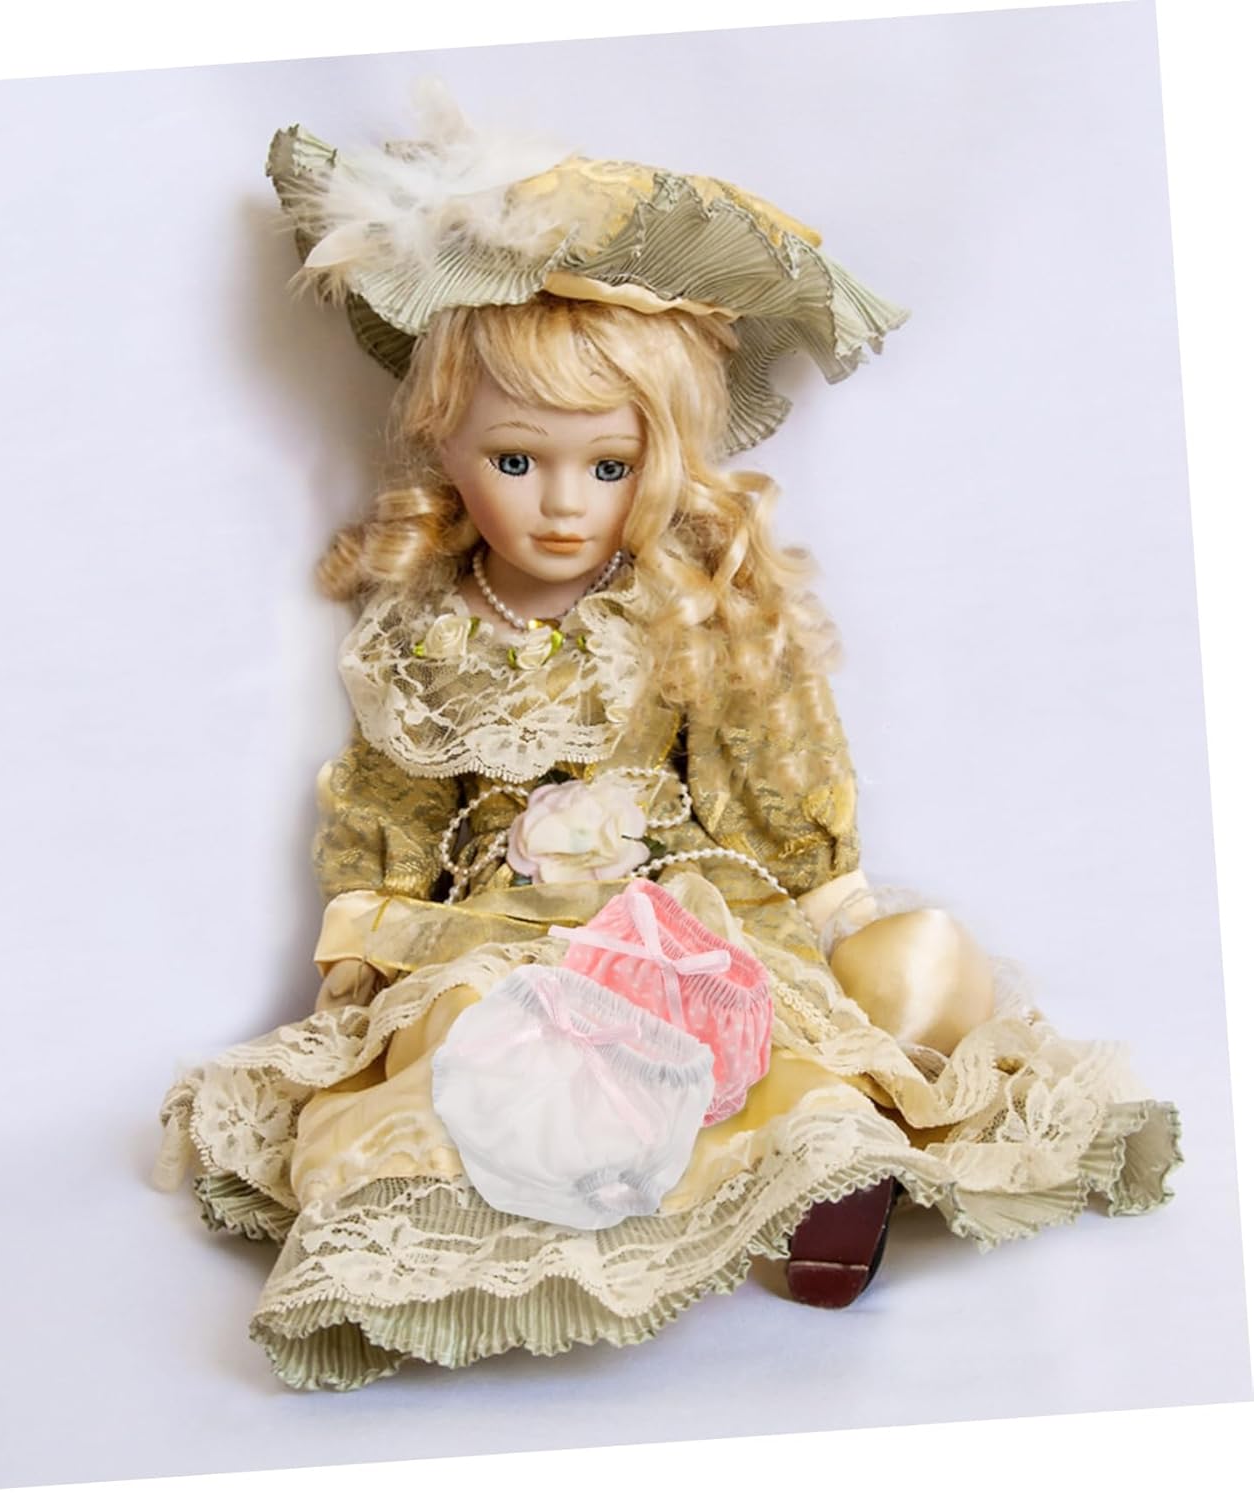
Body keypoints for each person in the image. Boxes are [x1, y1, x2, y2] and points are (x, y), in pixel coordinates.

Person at [155, 93, 1181, 1392]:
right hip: (498, 915)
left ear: (664, 464)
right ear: (444, 445)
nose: (563, 505)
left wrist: (833, 906)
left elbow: (764, 773)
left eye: (609, 465)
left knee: (746, 1033)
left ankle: (821, 1184)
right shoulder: (427, 632)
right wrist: (359, 949)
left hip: (680, 903)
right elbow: (393, 800)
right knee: (468, 1035)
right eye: (517, 461)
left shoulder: (681, 607)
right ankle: (447, 1218)